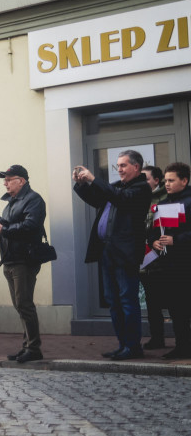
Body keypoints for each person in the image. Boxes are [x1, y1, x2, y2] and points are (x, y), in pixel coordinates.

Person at [73, 150, 153, 361]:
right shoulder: (117, 187)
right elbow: (96, 198)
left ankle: (133, 346)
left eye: (123, 165)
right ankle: (122, 345)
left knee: (127, 301)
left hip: (125, 254)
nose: (119, 169)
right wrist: (82, 184)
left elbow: (121, 199)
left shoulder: (141, 188)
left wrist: (93, 178)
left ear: (136, 167)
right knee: (113, 301)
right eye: (117, 166)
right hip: (107, 252)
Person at [0, 164, 47, 363]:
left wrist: (4, 230)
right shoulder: (11, 202)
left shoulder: (33, 200)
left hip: (24, 259)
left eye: (9, 179)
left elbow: (31, 226)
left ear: (21, 181)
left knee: (24, 304)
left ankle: (33, 348)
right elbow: (13, 224)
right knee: (19, 305)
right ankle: (27, 346)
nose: (5, 183)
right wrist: (1, 225)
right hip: (11, 258)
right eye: (4, 179)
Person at [146, 163, 191, 359]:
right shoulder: (163, 204)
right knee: (176, 308)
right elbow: (153, 231)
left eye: (171, 180)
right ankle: (183, 346)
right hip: (169, 265)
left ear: (185, 180)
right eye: (165, 181)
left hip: (186, 262)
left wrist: (177, 240)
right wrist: (154, 241)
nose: (167, 184)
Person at [140, 165, 168, 350]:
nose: (142, 183)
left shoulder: (166, 200)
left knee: (175, 301)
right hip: (147, 259)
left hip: (165, 258)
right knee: (152, 302)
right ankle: (157, 338)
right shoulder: (140, 199)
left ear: (156, 181)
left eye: (146, 179)